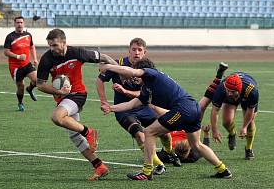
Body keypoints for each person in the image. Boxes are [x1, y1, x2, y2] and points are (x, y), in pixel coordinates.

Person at [99, 58, 232, 180]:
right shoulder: (147, 88)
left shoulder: (152, 73)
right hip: (193, 108)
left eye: (136, 75)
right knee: (196, 145)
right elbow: (132, 104)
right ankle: (223, 170)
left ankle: (146, 171)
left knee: (149, 132)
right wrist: (111, 108)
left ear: (142, 72)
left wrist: (109, 67)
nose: (134, 78)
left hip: (182, 109)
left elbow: (130, 71)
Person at [36, 28, 117, 181]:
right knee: (75, 137)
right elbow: (40, 84)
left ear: (64, 42)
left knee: (56, 117)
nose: (52, 49)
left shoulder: (77, 53)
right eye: (50, 46)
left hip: (78, 95)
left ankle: (89, 132)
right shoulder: (47, 59)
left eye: (54, 45)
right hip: (63, 98)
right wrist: (58, 91)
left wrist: (119, 71)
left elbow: (103, 57)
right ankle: (99, 166)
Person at [96, 38, 180, 176]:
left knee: (164, 133)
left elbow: (144, 94)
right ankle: (159, 165)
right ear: (129, 50)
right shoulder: (119, 65)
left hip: (144, 107)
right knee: (140, 136)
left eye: (139, 50)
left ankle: (170, 152)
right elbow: (99, 80)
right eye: (134, 49)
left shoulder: (148, 69)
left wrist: (125, 91)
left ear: (144, 52)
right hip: (124, 109)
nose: (136, 52)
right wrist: (104, 101)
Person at [155, 62, 228, 164]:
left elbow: (152, 153)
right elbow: (204, 149)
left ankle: (154, 79)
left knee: (202, 105)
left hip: (176, 121)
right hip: (185, 122)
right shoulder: (193, 156)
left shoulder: (169, 155)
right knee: (156, 108)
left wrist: (206, 134)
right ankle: (218, 77)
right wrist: (206, 134)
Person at [210, 72, 259, 160]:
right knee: (226, 121)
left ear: (238, 90)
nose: (229, 93)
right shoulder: (222, 89)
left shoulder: (251, 91)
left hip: (246, 97)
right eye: (227, 90)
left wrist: (244, 127)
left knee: (250, 124)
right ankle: (232, 134)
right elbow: (214, 110)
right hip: (234, 96)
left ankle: (249, 148)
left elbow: (250, 111)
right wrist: (214, 130)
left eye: (232, 91)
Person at [4, 16, 38, 111]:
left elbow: (32, 47)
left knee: (37, 81)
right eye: (18, 22)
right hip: (15, 67)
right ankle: (20, 103)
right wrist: (18, 56)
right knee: (20, 87)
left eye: (21, 22)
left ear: (23, 24)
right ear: (14, 24)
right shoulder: (10, 37)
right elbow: (6, 52)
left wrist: (35, 59)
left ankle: (30, 89)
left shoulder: (28, 35)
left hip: (26, 64)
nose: (19, 24)